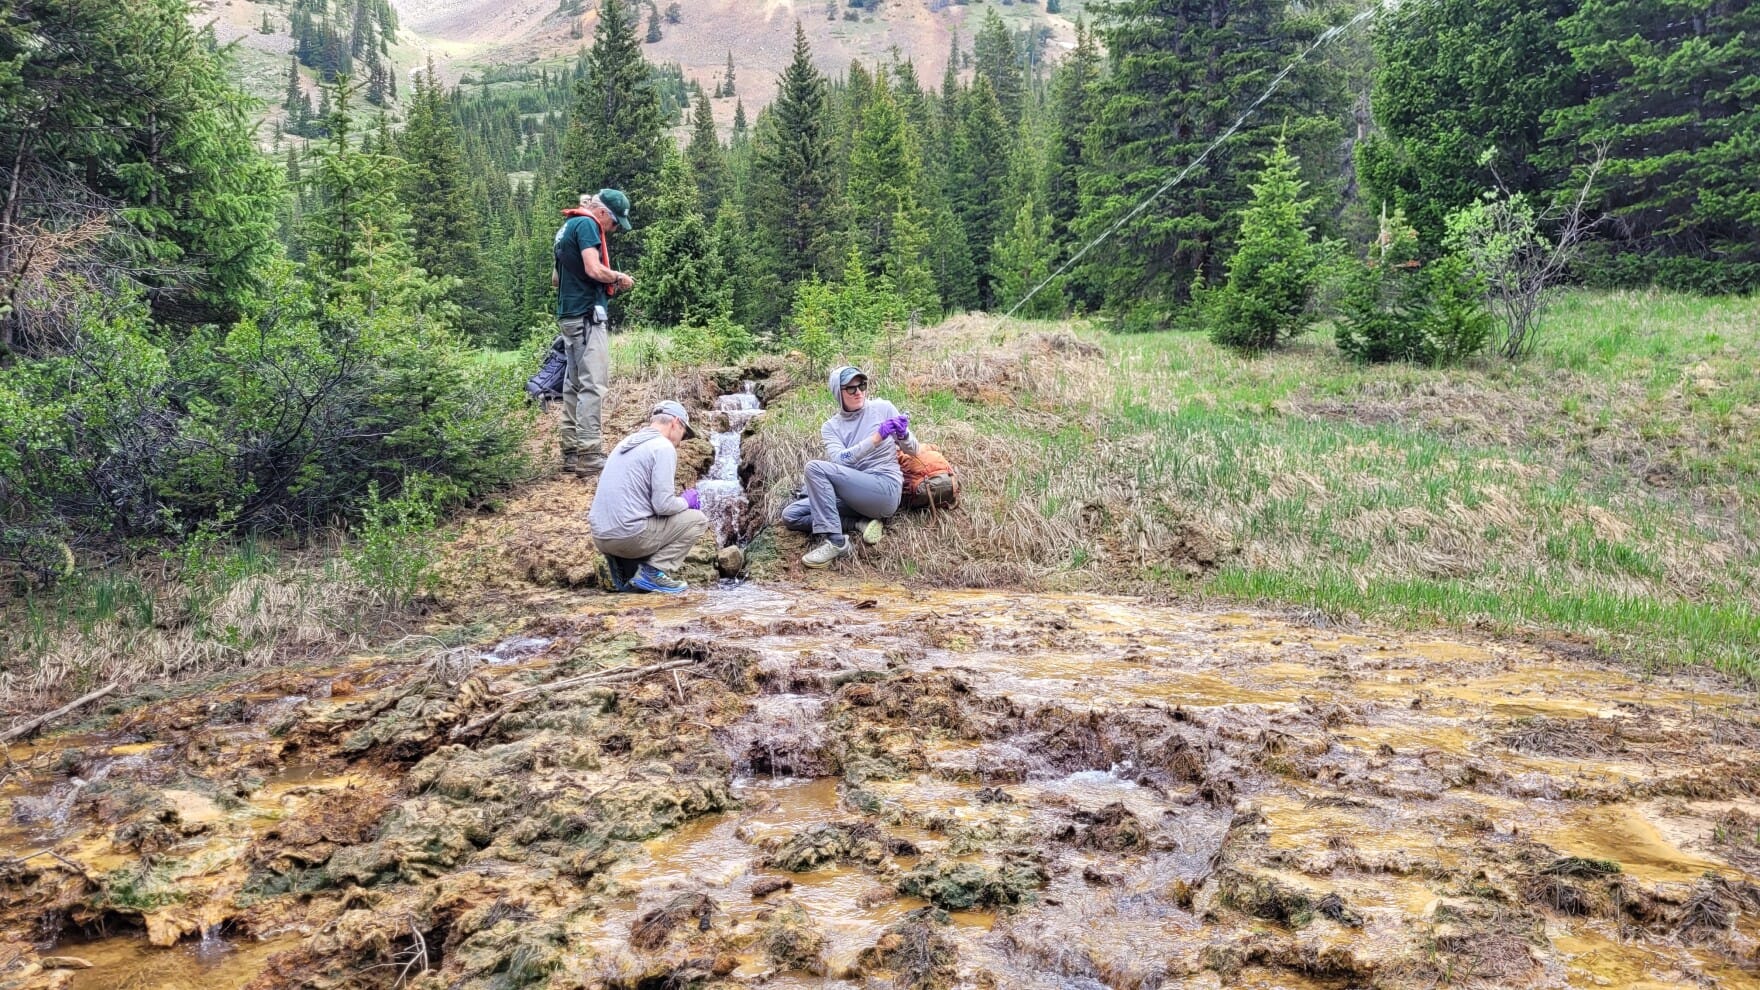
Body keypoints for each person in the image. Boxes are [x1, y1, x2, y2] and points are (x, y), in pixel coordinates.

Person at [781, 365, 918, 568]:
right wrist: (876, 438)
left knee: (814, 468)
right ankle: (858, 523)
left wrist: (904, 434)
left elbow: (914, 450)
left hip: (885, 490)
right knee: (791, 515)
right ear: (838, 392)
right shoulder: (831, 427)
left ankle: (836, 542)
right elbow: (841, 460)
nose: (858, 392)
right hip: (855, 495)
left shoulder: (883, 408)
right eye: (851, 388)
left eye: (862, 385)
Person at [552, 189, 636, 477]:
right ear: (602, 213)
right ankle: (589, 454)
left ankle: (570, 453)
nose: (613, 230)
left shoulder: (566, 228)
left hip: (568, 314)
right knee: (593, 384)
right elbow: (592, 268)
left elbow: (555, 279)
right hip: (587, 315)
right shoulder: (588, 225)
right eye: (614, 223)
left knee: (573, 384)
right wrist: (618, 277)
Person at [588, 401, 708, 594]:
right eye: (684, 434)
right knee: (697, 520)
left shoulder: (625, 443)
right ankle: (653, 573)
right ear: (675, 423)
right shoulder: (663, 447)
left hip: (601, 537)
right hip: (629, 537)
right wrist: (686, 501)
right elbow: (663, 505)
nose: (681, 441)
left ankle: (623, 569)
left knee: (640, 521)